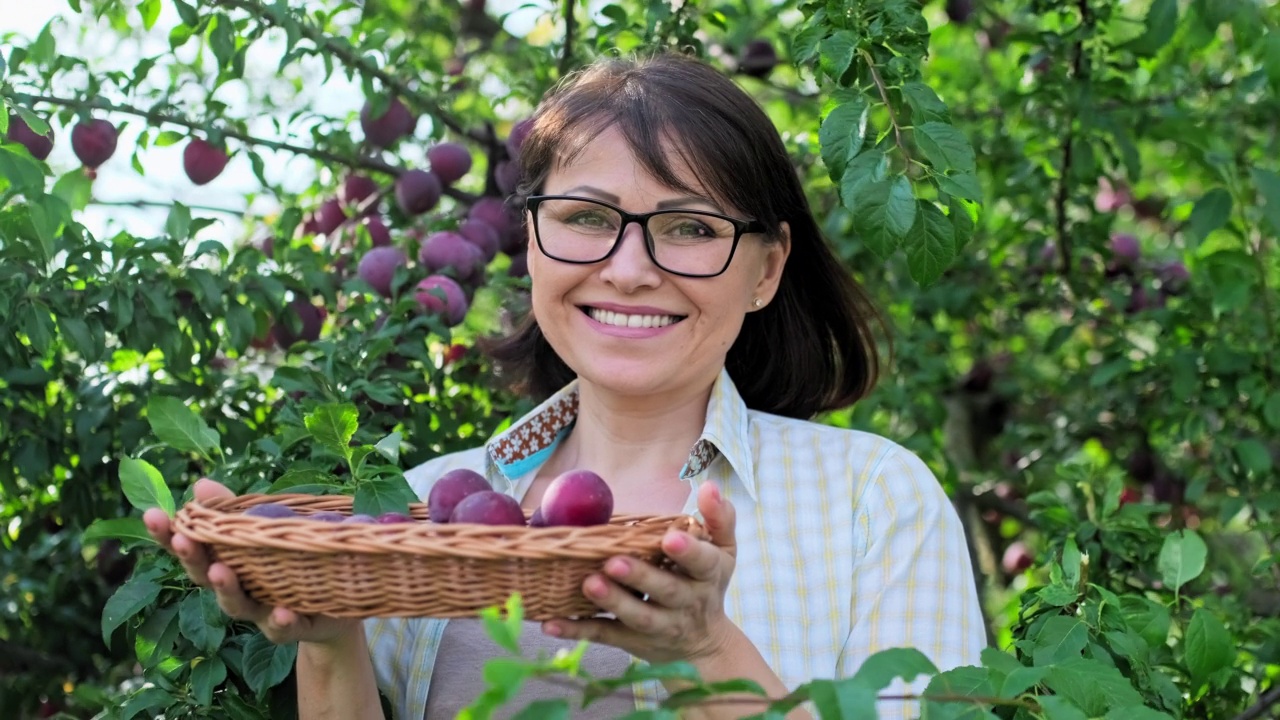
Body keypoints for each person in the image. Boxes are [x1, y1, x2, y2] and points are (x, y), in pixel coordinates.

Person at [144, 50, 987, 720]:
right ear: (533, 240)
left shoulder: (872, 503)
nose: (628, 271)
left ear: (766, 270)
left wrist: (707, 647)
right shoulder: (430, 510)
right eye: (586, 218)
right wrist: (328, 643)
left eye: (690, 227)